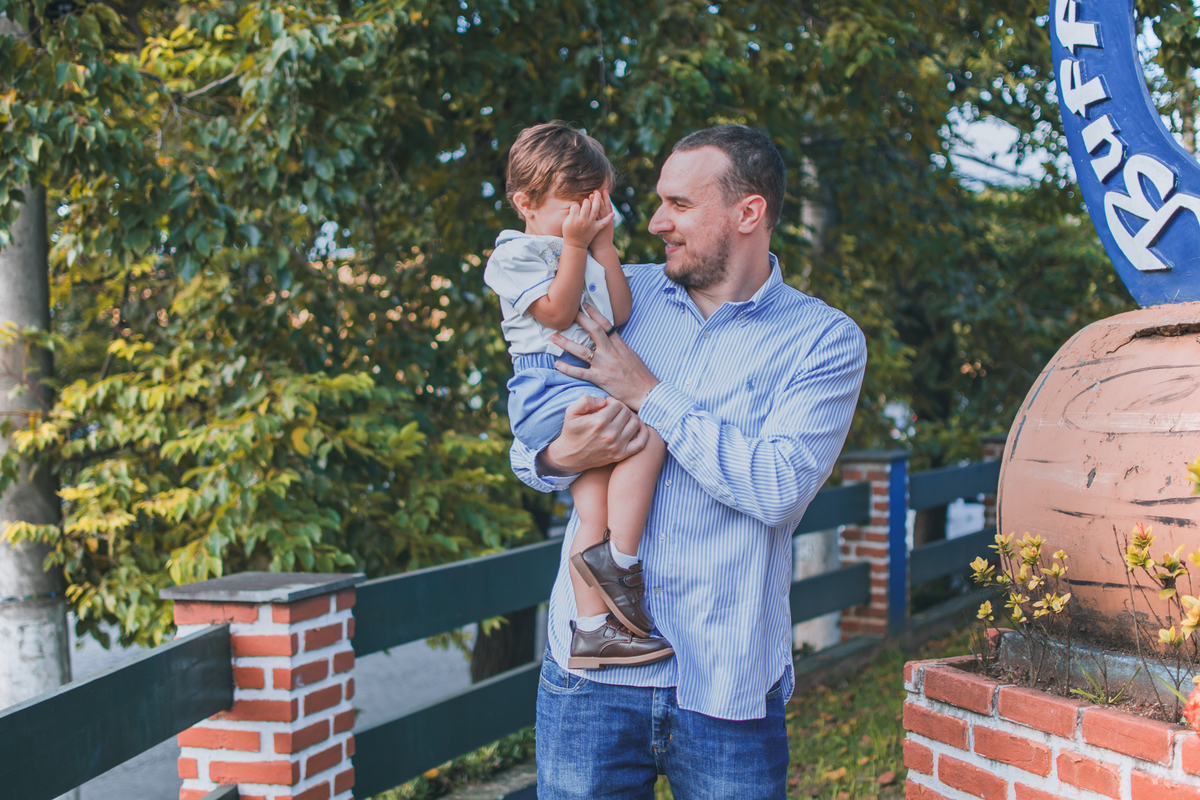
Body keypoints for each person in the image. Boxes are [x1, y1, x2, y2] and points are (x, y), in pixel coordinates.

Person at [509, 125, 867, 798]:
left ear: (747, 212)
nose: (655, 221)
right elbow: (531, 439)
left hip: (726, 686)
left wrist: (649, 395)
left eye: (677, 204)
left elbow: (778, 489)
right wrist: (559, 455)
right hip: (589, 683)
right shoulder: (616, 294)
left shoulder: (823, 341)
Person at [484, 122, 672, 670]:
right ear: (526, 202)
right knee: (649, 434)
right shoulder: (514, 255)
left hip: (580, 378)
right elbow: (558, 314)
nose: (587, 217)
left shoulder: (583, 248)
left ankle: (591, 630)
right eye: (575, 204)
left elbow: (617, 315)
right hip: (549, 385)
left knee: (592, 505)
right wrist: (573, 246)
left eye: (596, 204)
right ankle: (621, 561)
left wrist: (604, 248)